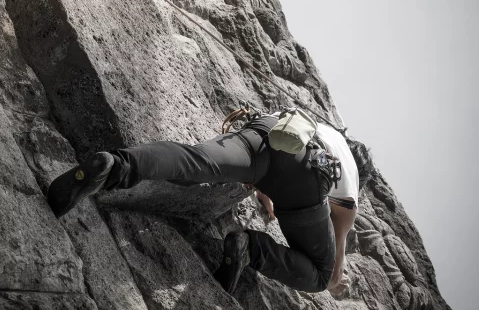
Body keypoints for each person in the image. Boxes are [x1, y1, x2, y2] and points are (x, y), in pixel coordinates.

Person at [47, 112, 360, 296]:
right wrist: (335, 282)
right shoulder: (352, 176)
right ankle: (249, 249)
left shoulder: (317, 125)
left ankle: (115, 165)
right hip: (305, 175)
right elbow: (335, 267)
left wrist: (266, 188)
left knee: (194, 162)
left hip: (264, 132)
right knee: (319, 275)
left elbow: (282, 152)